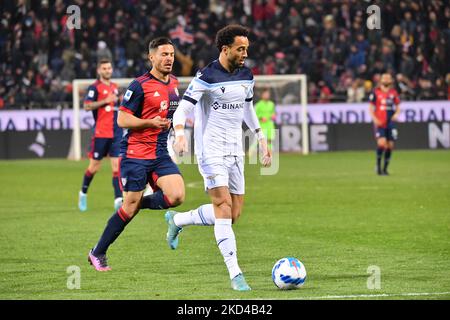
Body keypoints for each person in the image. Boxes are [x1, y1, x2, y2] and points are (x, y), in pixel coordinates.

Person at [166, 25, 272, 291]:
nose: (245, 53)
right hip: (210, 150)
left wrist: (261, 139)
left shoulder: (247, 75)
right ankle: (236, 274)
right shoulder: (206, 76)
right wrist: (180, 134)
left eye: (246, 48)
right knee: (223, 207)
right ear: (225, 49)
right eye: (240, 49)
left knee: (233, 214)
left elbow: (248, 109)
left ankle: (178, 220)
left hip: (236, 150)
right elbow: (183, 110)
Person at [88, 37, 185, 271]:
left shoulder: (174, 83)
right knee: (129, 210)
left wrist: (178, 133)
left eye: (171, 54)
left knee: (177, 195)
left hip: (160, 153)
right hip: (135, 153)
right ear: (151, 57)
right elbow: (122, 119)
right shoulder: (139, 85)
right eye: (164, 54)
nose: (169, 58)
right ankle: (97, 252)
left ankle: (140, 205)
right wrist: (149, 122)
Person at [78, 59, 123, 212]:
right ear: (99, 70)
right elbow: (86, 106)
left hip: (116, 133)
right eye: (104, 68)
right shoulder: (94, 87)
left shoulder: (115, 88)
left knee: (117, 166)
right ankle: (83, 193)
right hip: (101, 133)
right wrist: (105, 101)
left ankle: (118, 199)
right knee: (94, 167)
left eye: (109, 68)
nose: (107, 70)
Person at [368, 73, 401, 175]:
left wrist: (396, 114)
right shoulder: (375, 93)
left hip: (390, 123)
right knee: (382, 143)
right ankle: (378, 166)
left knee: (390, 146)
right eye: (384, 78)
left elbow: (398, 106)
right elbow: (370, 108)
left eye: (388, 78)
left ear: (391, 81)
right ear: (381, 80)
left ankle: (385, 169)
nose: (386, 79)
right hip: (380, 123)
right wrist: (375, 119)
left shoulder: (394, 93)